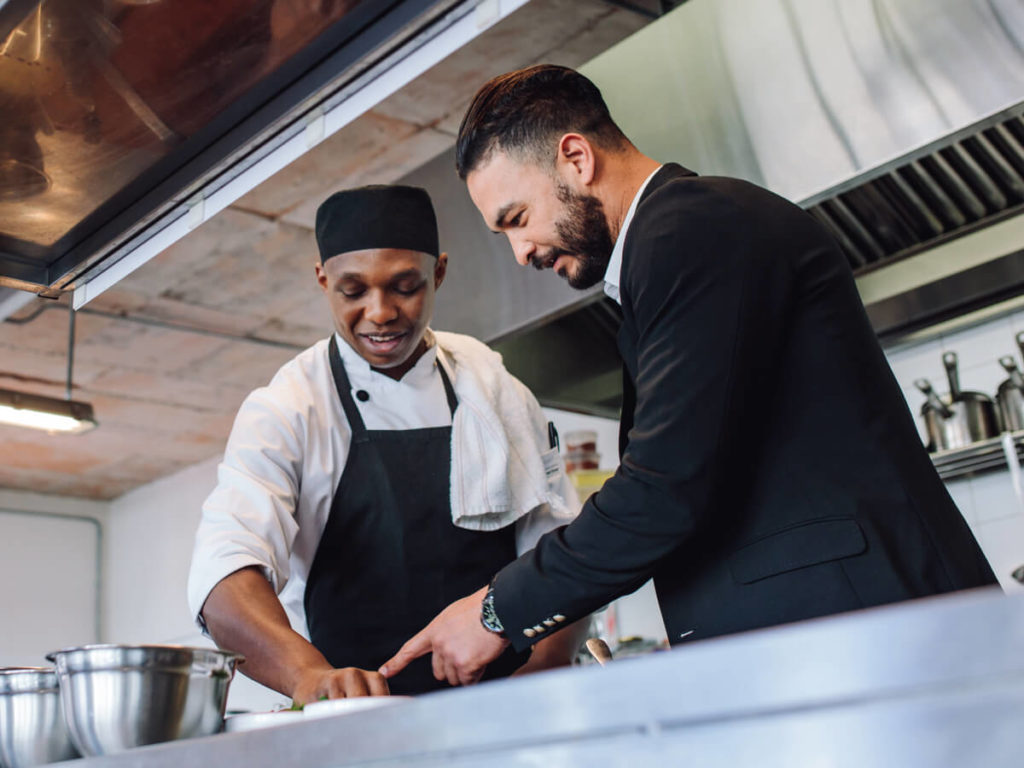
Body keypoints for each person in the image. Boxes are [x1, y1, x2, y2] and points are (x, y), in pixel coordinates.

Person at [380, 65, 999, 687]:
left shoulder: (693, 229)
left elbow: (665, 487)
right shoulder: (667, 249)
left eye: (516, 218)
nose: (521, 254)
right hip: (835, 645)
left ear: (575, 157)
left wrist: (495, 612)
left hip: (871, 640)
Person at [188, 184, 586, 700]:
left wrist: (550, 663)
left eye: (405, 286)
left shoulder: (493, 388)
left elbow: (560, 549)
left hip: (509, 707)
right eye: (353, 292)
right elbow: (224, 575)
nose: (380, 313)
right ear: (322, 279)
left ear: (438, 272)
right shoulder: (289, 408)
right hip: (361, 719)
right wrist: (307, 676)